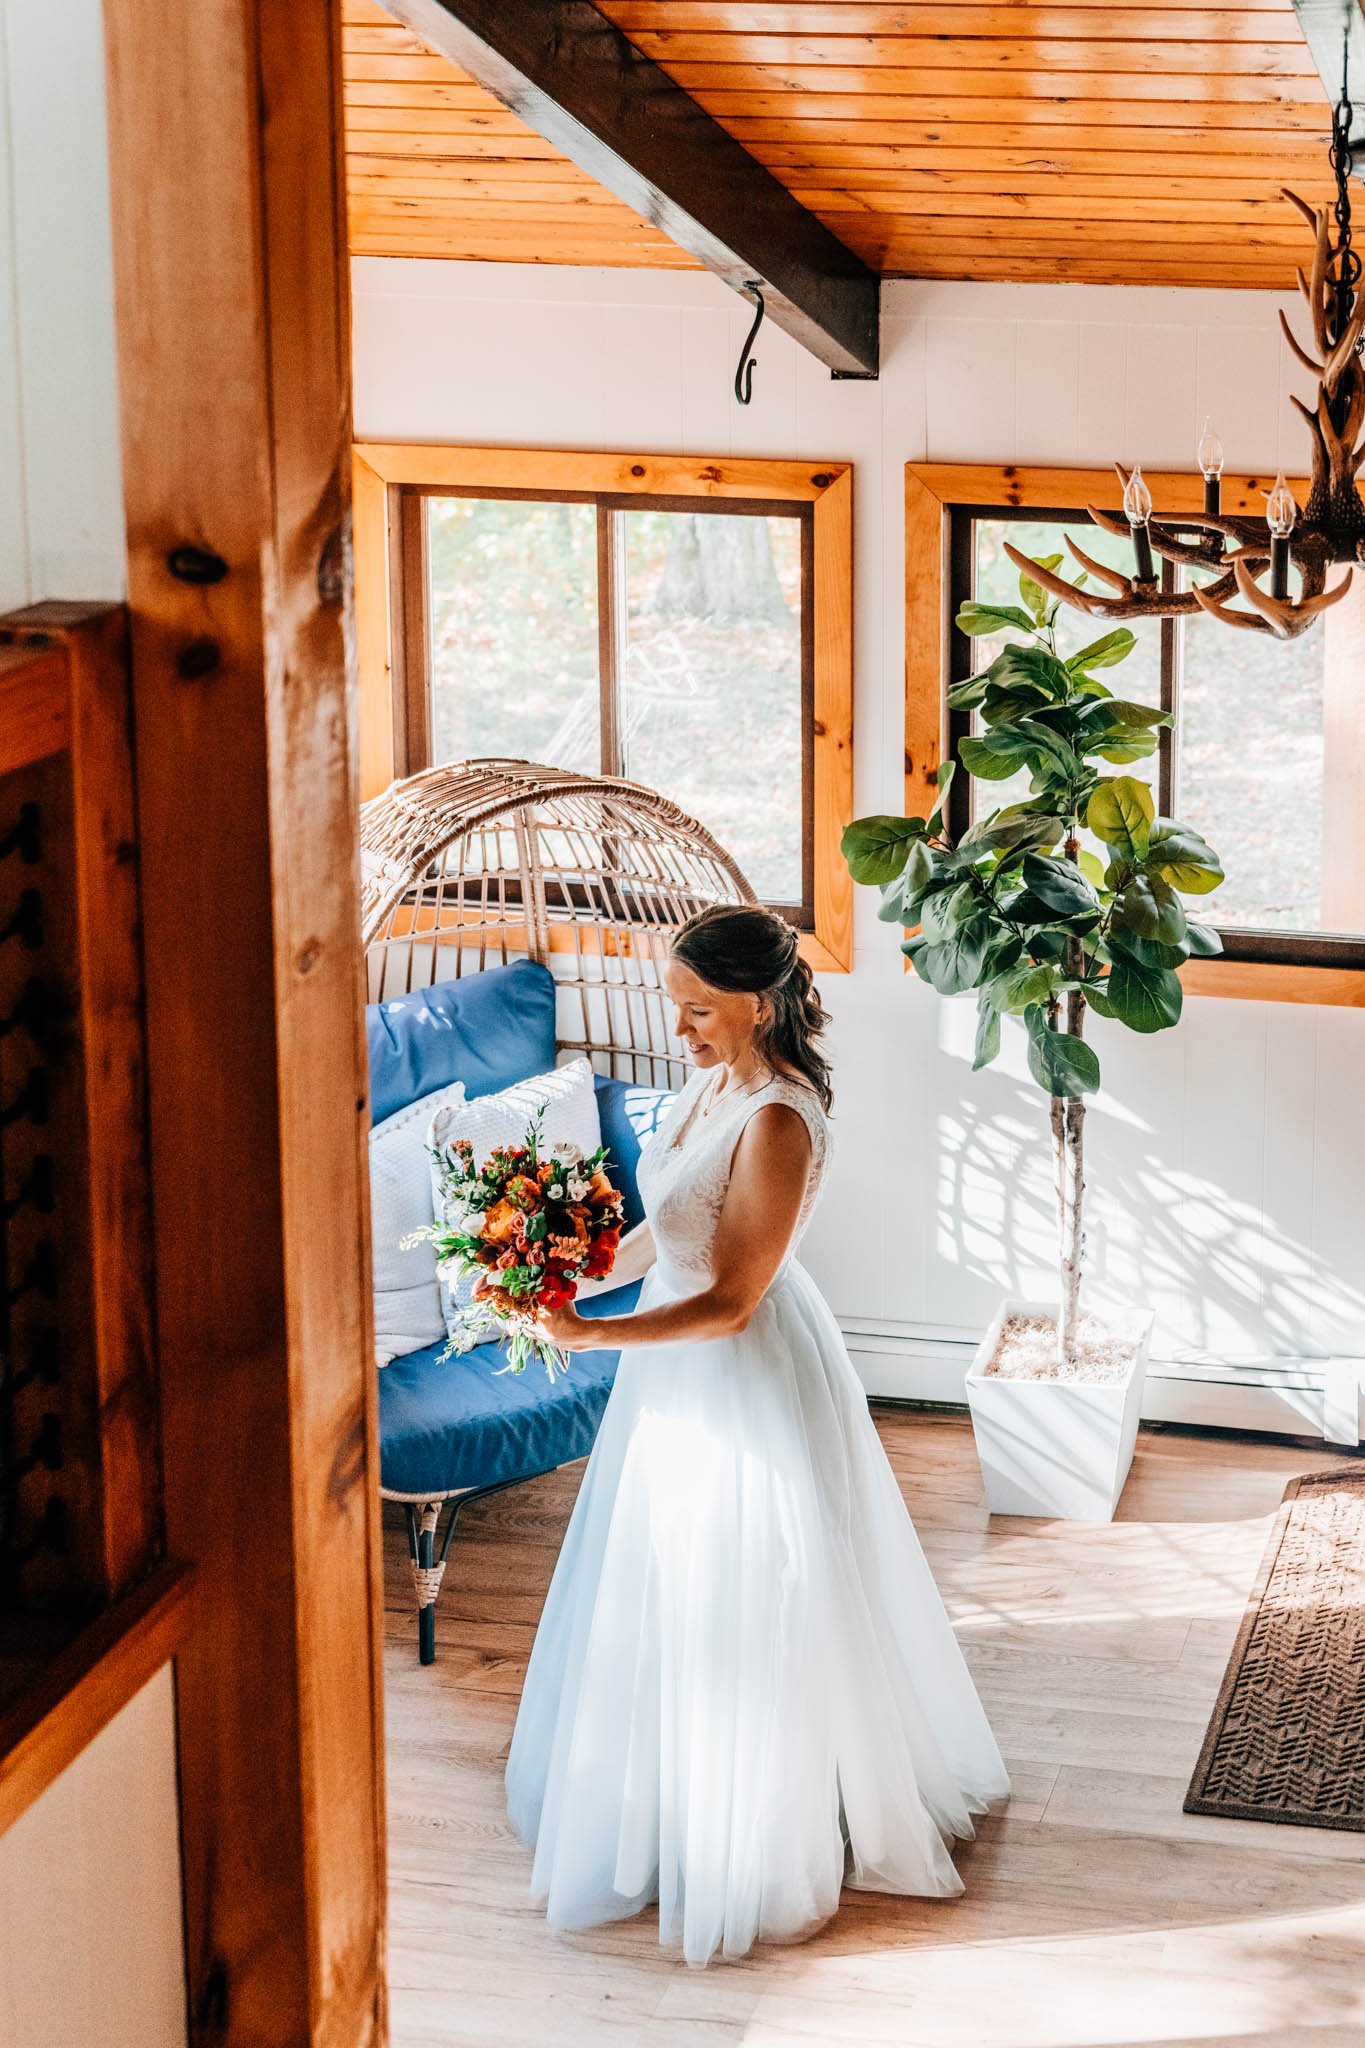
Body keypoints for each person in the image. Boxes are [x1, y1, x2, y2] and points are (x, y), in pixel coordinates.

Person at [506, 903, 1008, 1967]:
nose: (679, 1028)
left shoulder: (779, 1119)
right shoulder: (711, 1084)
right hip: (671, 1366)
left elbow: (731, 1299)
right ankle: (665, 1792)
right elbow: (666, 1230)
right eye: (676, 1005)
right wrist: (566, 1281)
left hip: (738, 1368)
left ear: (760, 1003)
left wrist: (591, 1335)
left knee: (748, 1584)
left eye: (699, 1009)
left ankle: (761, 1819)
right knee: (666, 1577)